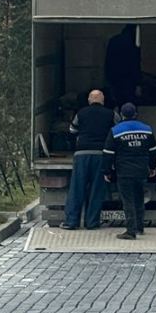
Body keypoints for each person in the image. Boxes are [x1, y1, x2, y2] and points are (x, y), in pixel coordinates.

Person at [103, 102, 156, 239]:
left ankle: (130, 231)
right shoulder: (146, 129)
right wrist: (152, 167)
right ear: (135, 114)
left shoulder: (115, 130)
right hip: (141, 170)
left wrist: (107, 171)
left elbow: (108, 153)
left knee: (128, 200)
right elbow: (153, 150)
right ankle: (139, 228)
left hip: (124, 171)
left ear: (122, 115)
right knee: (139, 198)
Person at [62, 89, 115, 230]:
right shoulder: (111, 114)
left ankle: (71, 222)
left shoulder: (81, 113)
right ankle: (92, 222)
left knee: (77, 187)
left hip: (82, 153)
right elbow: (117, 130)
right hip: (101, 154)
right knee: (97, 189)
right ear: (103, 100)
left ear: (89, 100)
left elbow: (72, 130)